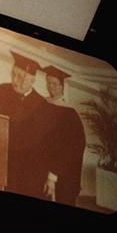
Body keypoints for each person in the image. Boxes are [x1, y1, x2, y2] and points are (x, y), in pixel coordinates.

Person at [0, 51, 57, 201]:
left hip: (30, 171)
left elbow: (50, 143)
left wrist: (51, 177)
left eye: (20, 76)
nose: (14, 80)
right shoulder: (1, 91)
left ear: (32, 79)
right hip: (4, 163)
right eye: (13, 74)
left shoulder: (42, 105)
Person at [41, 65, 86, 206]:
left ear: (62, 86)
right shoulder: (41, 105)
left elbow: (74, 147)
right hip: (42, 164)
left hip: (62, 172)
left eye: (55, 83)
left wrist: (54, 174)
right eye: (48, 82)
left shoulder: (69, 114)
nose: (51, 87)